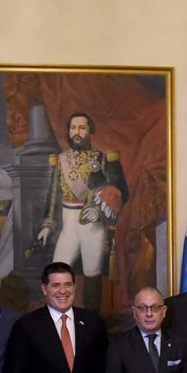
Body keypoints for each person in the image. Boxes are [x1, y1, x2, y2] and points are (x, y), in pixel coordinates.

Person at [36, 112, 129, 313]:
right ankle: (57, 321)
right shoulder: (60, 160)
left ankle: (91, 322)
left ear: (90, 132)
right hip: (67, 226)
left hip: (92, 225)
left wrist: (99, 210)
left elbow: (117, 192)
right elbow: (53, 195)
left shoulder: (103, 159)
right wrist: (47, 225)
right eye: (73, 128)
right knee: (57, 273)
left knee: (91, 274)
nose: (77, 132)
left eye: (82, 127)